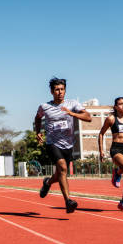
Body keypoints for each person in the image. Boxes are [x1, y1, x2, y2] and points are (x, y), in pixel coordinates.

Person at [36, 77, 92, 213]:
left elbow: (88, 117)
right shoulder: (44, 106)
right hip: (52, 143)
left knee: (61, 172)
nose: (59, 92)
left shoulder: (73, 103)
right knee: (62, 167)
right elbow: (38, 118)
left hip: (68, 144)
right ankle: (68, 201)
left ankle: (47, 183)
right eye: (56, 90)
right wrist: (38, 132)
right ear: (51, 91)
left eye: (62, 89)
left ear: (65, 91)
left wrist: (72, 113)